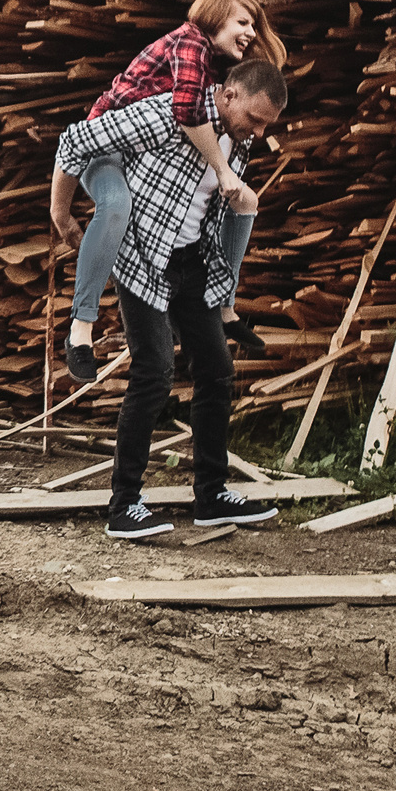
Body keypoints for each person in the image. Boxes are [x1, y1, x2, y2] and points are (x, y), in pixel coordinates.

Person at [49, 57, 288, 538]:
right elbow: (75, 140)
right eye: (255, 119)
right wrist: (61, 213)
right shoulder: (166, 113)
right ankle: (124, 505)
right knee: (154, 370)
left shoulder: (236, 140)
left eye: (267, 126)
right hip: (141, 258)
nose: (258, 132)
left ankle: (212, 496)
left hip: (189, 262)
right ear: (229, 94)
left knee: (217, 369)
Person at [55, 0, 286, 381]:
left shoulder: (215, 68)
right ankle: (80, 330)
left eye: (254, 25)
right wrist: (60, 211)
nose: (250, 32)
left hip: (133, 151)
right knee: (116, 207)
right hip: (106, 146)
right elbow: (184, 112)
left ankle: (225, 309)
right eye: (242, 22)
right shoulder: (191, 43)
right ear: (214, 17)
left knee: (246, 202)